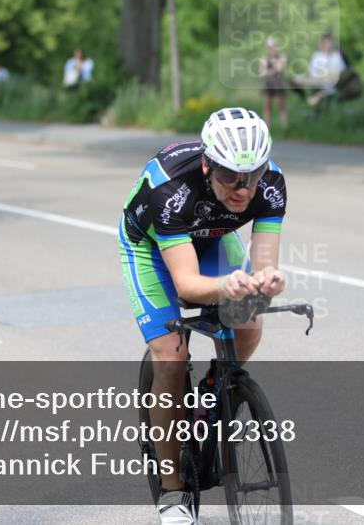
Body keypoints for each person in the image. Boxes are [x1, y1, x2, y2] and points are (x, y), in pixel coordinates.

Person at [118, 107, 287, 524]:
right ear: (209, 165)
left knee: (249, 321)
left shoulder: (271, 184)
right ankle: (172, 491)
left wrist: (267, 280)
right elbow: (187, 285)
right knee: (171, 357)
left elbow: (264, 264)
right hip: (151, 249)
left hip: (212, 238)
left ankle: (214, 390)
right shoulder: (170, 187)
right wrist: (225, 285)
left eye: (252, 175)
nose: (243, 189)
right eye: (231, 176)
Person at [305, 33, 346, 107]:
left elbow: (342, 71)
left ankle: (320, 96)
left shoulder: (336, 56)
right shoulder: (316, 56)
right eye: (326, 43)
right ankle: (320, 97)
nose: (328, 45)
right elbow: (312, 72)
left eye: (329, 43)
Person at [259, 37, 289, 130]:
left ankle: (285, 128)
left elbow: (280, 68)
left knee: (281, 106)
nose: (272, 49)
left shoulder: (281, 56)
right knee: (267, 107)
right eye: (270, 48)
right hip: (268, 84)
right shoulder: (264, 58)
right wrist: (271, 70)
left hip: (278, 84)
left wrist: (269, 70)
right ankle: (267, 128)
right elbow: (262, 73)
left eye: (273, 47)